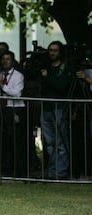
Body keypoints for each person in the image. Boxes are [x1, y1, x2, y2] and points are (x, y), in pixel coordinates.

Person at [40, 41, 72, 179]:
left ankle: (61, 171)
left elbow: (62, 86)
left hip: (59, 108)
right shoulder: (45, 67)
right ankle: (52, 171)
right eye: (50, 50)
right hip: (46, 108)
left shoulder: (65, 68)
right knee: (49, 143)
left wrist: (47, 77)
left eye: (55, 50)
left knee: (61, 142)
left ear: (60, 52)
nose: (52, 53)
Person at [0, 51, 26, 177]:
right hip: (2, 109)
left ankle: (19, 170)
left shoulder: (18, 75)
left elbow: (17, 93)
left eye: (8, 59)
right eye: (3, 59)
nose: (5, 61)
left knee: (16, 142)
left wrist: (2, 85)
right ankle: (5, 168)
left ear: (12, 61)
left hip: (15, 109)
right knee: (3, 142)